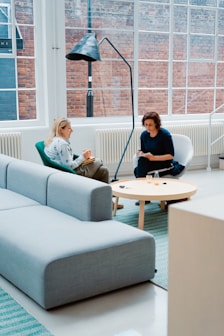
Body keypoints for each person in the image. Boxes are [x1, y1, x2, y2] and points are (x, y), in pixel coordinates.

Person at [44, 117, 123, 209]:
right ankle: (104, 195)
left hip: (64, 172)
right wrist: (83, 157)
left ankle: (108, 202)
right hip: (71, 174)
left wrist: (83, 158)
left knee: (103, 171)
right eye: (69, 128)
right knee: (98, 161)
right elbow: (69, 166)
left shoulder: (53, 140)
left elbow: (66, 160)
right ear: (61, 130)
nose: (72, 130)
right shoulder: (62, 144)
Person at [134, 111, 175, 178]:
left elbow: (171, 155)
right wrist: (140, 153)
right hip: (150, 162)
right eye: (146, 124)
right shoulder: (144, 135)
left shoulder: (165, 135)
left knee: (141, 172)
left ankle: (140, 184)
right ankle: (141, 184)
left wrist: (153, 158)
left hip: (163, 163)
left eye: (150, 125)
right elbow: (143, 150)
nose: (147, 127)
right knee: (140, 165)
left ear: (156, 124)